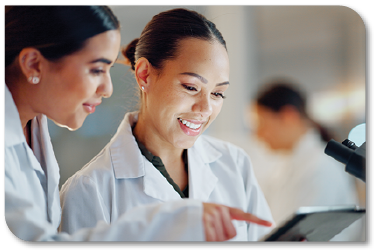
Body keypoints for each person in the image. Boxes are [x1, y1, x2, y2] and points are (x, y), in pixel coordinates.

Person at [4, 6, 271, 242]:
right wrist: (170, 224)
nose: (205, 108)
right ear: (144, 75)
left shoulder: (234, 163)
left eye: (218, 94)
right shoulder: (89, 189)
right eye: (191, 87)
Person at [248, 80, 364, 241]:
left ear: (288, 116)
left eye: (261, 124)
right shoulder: (290, 165)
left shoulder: (320, 167)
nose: (258, 135)